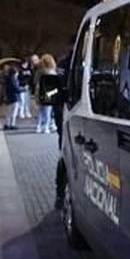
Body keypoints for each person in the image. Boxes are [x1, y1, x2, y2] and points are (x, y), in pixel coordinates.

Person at [53, 52, 70, 209]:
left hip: (66, 113)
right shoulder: (68, 61)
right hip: (67, 112)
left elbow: (56, 88)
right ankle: (60, 194)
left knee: (64, 157)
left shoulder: (65, 61)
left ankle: (60, 195)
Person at [34, 53, 59, 134]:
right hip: (49, 91)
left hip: (40, 91)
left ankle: (38, 126)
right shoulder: (53, 71)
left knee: (40, 111)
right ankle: (46, 127)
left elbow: (35, 81)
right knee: (48, 111)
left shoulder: (39, 71)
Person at [3, 65, 22, 130]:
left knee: (8, 112)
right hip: (14, 97)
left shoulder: (7, 79)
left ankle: (7, 124)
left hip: (9, 97)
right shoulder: (13, 80)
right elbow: (16, 89)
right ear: (15, 73)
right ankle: (12, 124)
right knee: (14, 112)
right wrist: (23, 89)